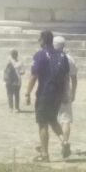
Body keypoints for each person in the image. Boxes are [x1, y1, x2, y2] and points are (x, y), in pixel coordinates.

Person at [24, 30, 69, 161]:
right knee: (53, 120)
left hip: (45, 93)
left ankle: (44, 154)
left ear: (43, 40)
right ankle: (64, 141)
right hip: (57, 94)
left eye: (39, 39)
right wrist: (65, 93)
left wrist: (27, 93)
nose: (38, 41)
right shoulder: (62, 55)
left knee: (42, 123)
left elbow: (34, 76)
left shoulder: (40, 55)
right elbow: (66, 77)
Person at [54, 34, 80, 159]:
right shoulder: (69, 59)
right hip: (65, 91)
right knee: (66, 120)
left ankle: (60, 141)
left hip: (51, 92)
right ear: (64, 46)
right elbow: (74, 78)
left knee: (51, 119)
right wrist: (73, 93)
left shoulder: (49, 57)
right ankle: (65, 141)